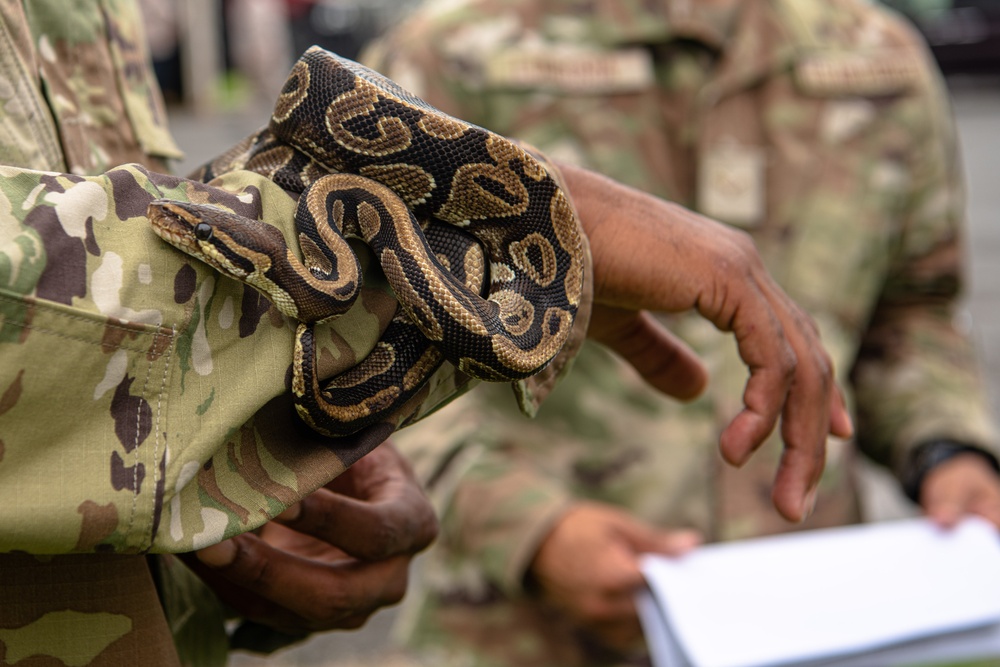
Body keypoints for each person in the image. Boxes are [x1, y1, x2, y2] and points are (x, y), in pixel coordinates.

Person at [0, 1, 850, 665]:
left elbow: (198, 197)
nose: (193, 235)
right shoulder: (453, 46)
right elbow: (204, 215)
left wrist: (244, 479)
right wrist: (536, 217)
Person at [362, 0, 1000, 664]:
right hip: (521, 632)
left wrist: (947, 452)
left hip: (812, 619)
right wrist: (526, 526)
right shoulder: (451, 55)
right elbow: (367, 345)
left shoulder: (876, 59)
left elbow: (912, 310)